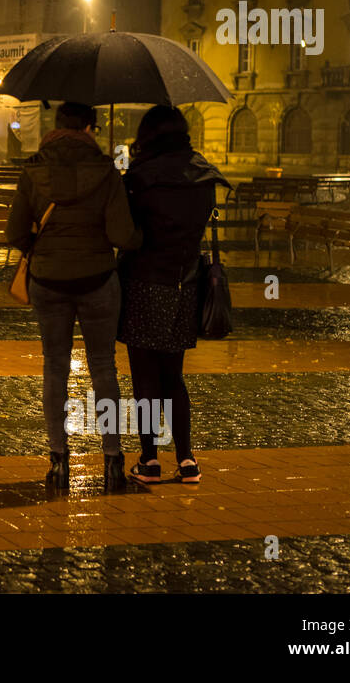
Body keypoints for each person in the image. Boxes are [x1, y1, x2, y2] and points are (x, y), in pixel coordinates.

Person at [6, 102, 139, 492]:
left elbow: (14, 232)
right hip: (98, 281)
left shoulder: (33, 169)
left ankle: (58, 459)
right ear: (90, 129)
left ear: (56, 126)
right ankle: (112, 459)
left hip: (48, 281)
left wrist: (39, 246)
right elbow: (122, 235)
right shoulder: (106, 171)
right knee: (103, 368)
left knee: (54, 367)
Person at [117, 105, 230, 485]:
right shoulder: (202, 175)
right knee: (174, 377)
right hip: (186, 285)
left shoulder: (140, 178)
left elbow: (126, 231)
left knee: (145, 378)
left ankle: (149, 459)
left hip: (144, 285)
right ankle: (187, 460)